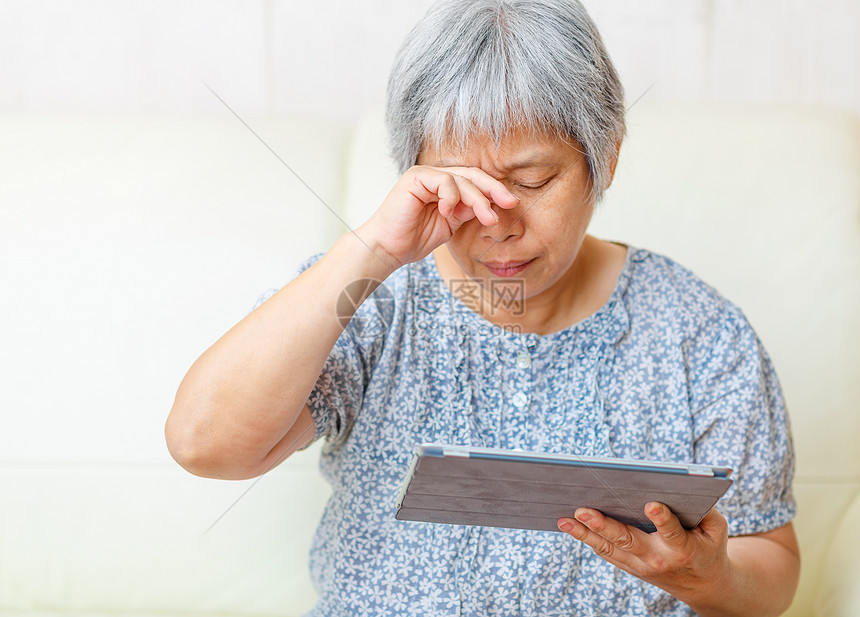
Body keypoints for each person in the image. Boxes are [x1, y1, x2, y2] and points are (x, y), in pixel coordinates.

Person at [165, 0, 800, 615]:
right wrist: (370, 252)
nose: (496, 225)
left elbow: (769, 568)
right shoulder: (371, 300)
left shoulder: (698, 331)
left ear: (603, 158)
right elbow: (204, 445)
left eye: (531, 182)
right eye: (459, 188)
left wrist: (709, 576)